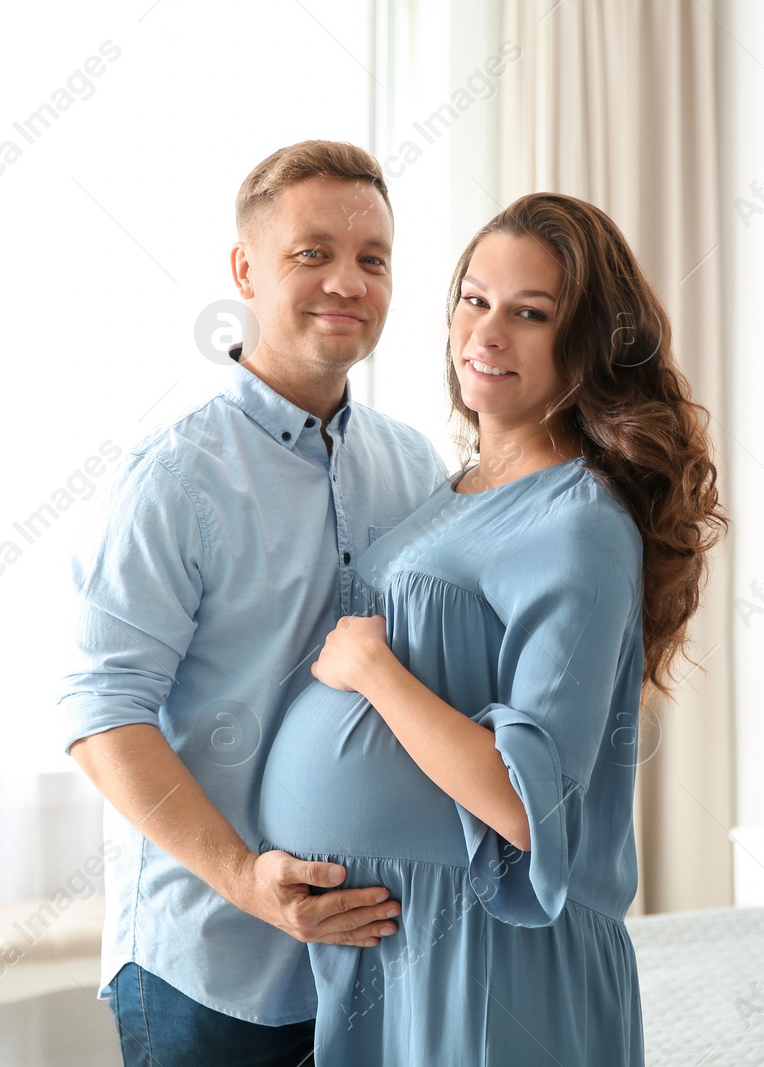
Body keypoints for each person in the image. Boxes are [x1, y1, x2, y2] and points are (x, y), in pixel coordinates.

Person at [259, 192, 727, 1065]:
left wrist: (374, 673)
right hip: (401, 939)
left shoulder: (579, 521)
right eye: (474, 299)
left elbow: (527, 803)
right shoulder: (458, 488)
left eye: (530, 314)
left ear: (586, 345)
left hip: (486, 951)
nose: (488, 332)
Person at [60, 140, 445, 1067]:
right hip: (210, 970)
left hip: (374, 961)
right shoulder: (175, 475)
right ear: (244, 269)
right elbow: (100, 713)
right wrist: (244, 878)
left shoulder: (418, 467)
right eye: (312, 252)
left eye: (373, 259)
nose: (347, 281)